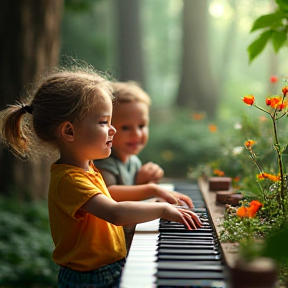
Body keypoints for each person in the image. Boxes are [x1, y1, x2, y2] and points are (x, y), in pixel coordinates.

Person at [0, 66, 202, 288]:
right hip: (88, 278)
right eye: (104, 122)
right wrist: (161, 209)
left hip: (106, 268)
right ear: (69, 131)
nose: (113, 130)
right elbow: (115, 213)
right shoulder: (69, 180)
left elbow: (112, 208)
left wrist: (151, 203)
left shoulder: (88, 169)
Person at [94, 81, 193, 206]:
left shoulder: (133, 161)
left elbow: (131, 198)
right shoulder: (103, 161)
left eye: (141, 126)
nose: (137, 134)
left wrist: (143, 182)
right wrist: (150, 189)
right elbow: (107, 194)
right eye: (125, 127)